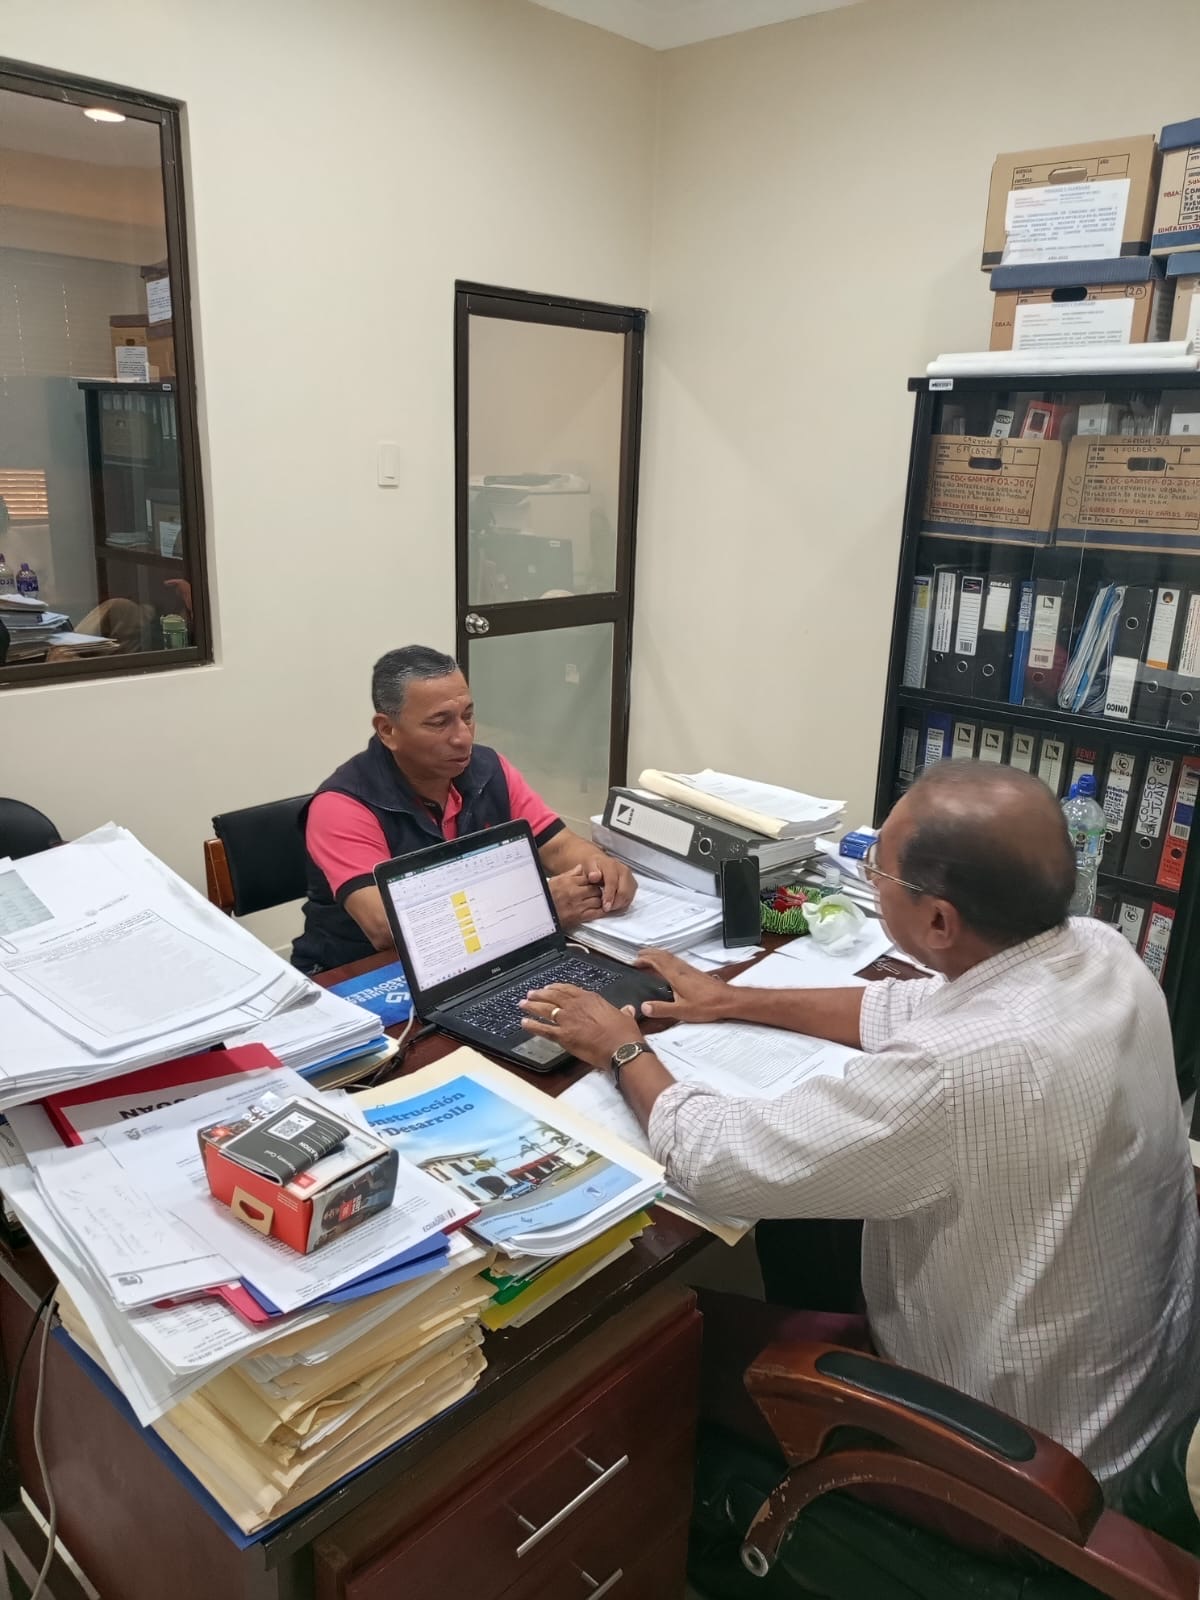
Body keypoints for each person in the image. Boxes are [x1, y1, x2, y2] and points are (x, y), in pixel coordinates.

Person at [518, 760, 1200, 1493]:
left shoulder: (954, 1070)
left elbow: (714, 1160)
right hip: (1140, 1398)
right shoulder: (1099, 950)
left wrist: (622, 1049)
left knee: (658, 1342)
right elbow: (905, 1007)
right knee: (806, 1232)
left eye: (879, 869)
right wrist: (731, 1000)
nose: (870, 878)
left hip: (1015, 1464)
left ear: (939, 921)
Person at [292, 644, 636, 973]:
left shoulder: (489, 770)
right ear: (387, 730)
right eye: (439, 723)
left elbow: (557, 845)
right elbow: (386, 927)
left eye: (467, 716)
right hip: (361, 974)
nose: (463, 737)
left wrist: (600, 867)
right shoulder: (341, 806)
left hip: (481, 956)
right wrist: (535, 905)